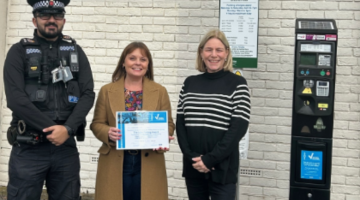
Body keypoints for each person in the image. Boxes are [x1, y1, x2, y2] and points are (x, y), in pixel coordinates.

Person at [3, 0, 95, 199]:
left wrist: (68, 129)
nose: (52, 20)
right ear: (34, 20)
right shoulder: (19, 52)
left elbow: (88, 94)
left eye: (57, 15)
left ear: (63, 19)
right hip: (29, 148)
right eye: (45, 15)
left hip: (65, 149)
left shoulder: (76, 52)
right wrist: (52, 128)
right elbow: (15, 99)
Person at [90, 42, 175, 200]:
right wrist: (107, 132)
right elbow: (96, 124)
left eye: (143, 59)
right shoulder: (107, 91)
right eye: (132, 58)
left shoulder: (160, 91)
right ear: (123, 62)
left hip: (149, 161)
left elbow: (169, 124)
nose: (137, 63)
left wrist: (163, 135)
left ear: (148, 64)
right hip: (115, 159)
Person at [176, 29, 251, 200]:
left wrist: (209, 160)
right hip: (193, 168)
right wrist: (192, 157)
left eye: (219, 50)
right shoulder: (189, 83)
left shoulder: (237, 84)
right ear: (201, 53)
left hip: (223, 170)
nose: (213, 55)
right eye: (208, 49)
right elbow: (181, 125)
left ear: (226, 53)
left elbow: (238, 128)